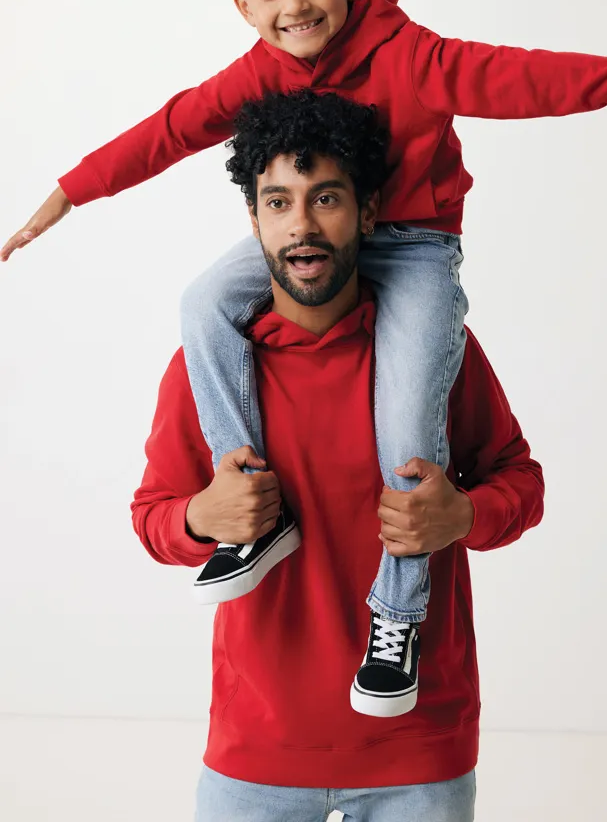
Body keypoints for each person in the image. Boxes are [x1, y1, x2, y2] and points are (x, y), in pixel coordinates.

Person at [4, 0, 607, 647]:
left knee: (406, 426)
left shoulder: (411, 56)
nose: (295, 5)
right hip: (312, 234)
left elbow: (526, 78)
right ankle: (252, 506)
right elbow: (172, 128)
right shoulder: (261, 73)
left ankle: (398, 610)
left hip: (413, 244)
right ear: (243, 5)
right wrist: (66, 194)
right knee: (202, 302)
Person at [131, 89, 544, 819]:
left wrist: (464, 515)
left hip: (418, 749)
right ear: (254, 220)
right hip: (255, 751)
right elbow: (152, 516)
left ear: (368, 212)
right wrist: (199, 517)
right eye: (279, 203)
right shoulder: (206, 368)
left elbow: (520, 481)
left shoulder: (434, 355)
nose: (302, 225)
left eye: (325, 198)